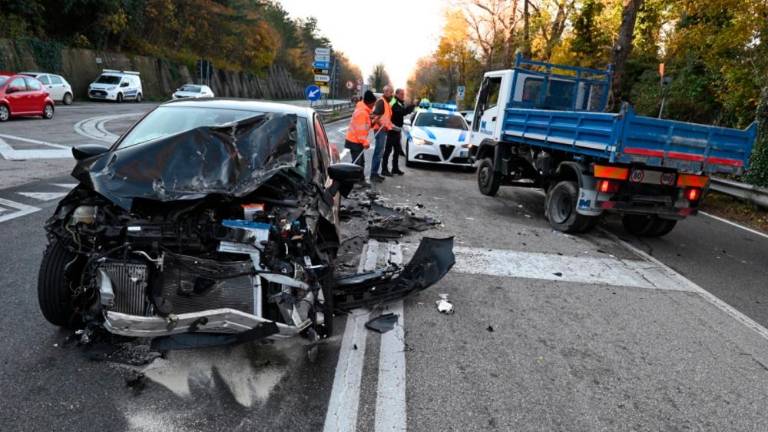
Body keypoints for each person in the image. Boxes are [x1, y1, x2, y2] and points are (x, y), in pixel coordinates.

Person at [344, 90, 377, 186]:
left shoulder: (364, 110)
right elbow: (360, 131)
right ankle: (351, 181)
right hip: (354, 141)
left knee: (359, 162)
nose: (373, 106)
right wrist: (365, 142)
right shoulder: (362, 112)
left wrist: (373, 122)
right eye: (373, 104)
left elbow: (366, 126)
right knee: (357, 163)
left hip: (356, 140)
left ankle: (358, 180)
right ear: (369, 103)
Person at [382, 88, 416, 176]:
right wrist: (412, 106)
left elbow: (403, 111)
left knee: (397, 150)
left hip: (397, 130)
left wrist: (410, 107)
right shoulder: (393, 101)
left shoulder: (400, 102)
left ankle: (395, 168)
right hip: (392, 129)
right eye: (401, 94)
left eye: (403, 94)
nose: (403, 96)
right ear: (396, 94)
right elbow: (399, 112)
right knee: (388, 150)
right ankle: (384, 169)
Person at [369, 85, 394, 182]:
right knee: (378, 153)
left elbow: (386, 118)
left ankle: (375, 173)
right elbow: (373, 115)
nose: (390, 94)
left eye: (391, 92)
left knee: (379, 152)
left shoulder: (386, 102)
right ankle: (373, 174)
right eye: (388, 92)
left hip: (383, 130)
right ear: (385, 92)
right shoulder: (381, 102)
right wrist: (380, 124)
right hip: (380, 130)